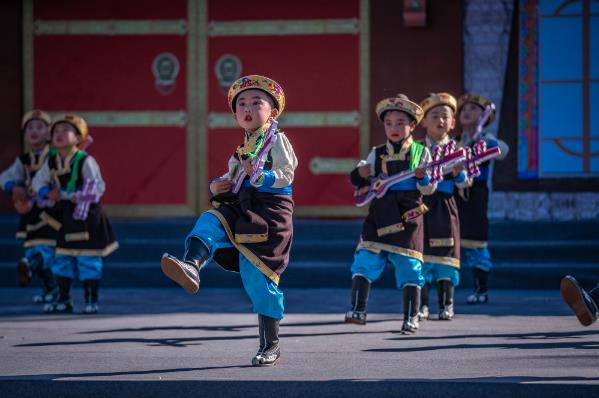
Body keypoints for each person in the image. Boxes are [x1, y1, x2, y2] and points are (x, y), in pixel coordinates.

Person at [160, 75, 297, 366]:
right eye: (241, 104)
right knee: (210, 219)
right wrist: (217, 186)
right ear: (236, 116)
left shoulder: (277, 141)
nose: (247, 108)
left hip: (270, 211)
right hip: (242, 205)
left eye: (256, 103)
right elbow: (231, 178)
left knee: (257, 277)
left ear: (272, 113)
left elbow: (287, 172)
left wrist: (262, 176)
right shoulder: (242, 149)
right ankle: (192, 265)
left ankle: (270, 344)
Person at [345, 94, 435, 333]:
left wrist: (422, 176)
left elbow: (429, 188)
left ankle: (410, 317)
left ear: (413, 126)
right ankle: (358, 310)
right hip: (380, 211)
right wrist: (362, 172)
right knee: (364, 259)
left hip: (409, 213)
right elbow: (359, 179)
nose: (393, 128)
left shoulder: (421, 153)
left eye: (400, 122)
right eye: (389, 123)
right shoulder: (377, 153)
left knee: (409, 265)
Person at [32, 114, 118, 314]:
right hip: (66, 215)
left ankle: (91, 300)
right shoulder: (51, 161)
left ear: (79, 138)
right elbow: (37, 181)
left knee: (88, 258)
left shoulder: (85, 161)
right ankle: (64, 299)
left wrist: (78, 195)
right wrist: (46, 192)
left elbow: (98, 187)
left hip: (86, 215)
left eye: (66, 131)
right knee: (62, 256)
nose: (59, 135)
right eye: (56, 132)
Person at [419, 93, 471, 321]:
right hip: (420, 207)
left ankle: (446, 304)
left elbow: (467, 181)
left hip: (445, 207)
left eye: (445, 116)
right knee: (419, 256)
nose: (440, 120)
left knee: (446, 257)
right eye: (434, 115)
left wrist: (460, 173)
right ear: (423, 121)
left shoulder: (457, 149)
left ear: (452, 122)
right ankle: (421, 305)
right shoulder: (416, 149)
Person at [455, 93, 509, 304]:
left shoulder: (486, 139)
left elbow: (503, 151)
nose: (467, 112)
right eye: (463, 109)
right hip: (454, 195)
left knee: (477, 241)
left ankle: (481, 289)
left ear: (484, 116)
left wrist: (485, 143)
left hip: (476, 195)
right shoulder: (455, 142)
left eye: (473, 109)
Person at [0, 110, 58, 303]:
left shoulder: (55, 156)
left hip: (51, 213)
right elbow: (5, 177)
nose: (34, 131)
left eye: (40, 127)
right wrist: (14, 187)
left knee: (46, 252)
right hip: (31, 213)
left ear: (49, 133)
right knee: (32, 249)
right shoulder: (23, 160)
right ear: (24, 134)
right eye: (30, 128)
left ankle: (49, 284)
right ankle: (46, 286)